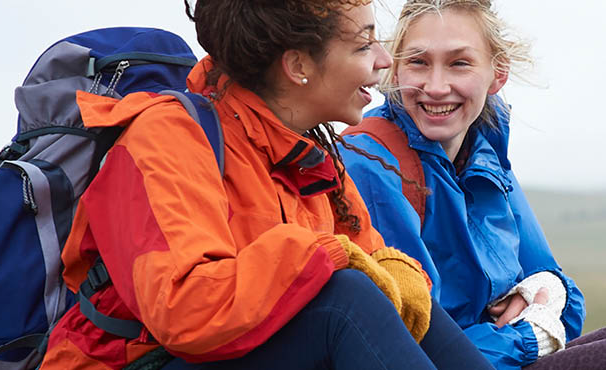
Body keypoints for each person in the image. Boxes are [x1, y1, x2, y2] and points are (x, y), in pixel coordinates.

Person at [37, 1, 495, 369]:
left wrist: (394, 275)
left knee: (404, 296)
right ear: (298, 64)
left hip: (236, 350)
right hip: (136, 360)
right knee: (345, 299)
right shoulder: (167, 138)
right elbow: (186, 310)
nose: (382, 60)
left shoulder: (307, 152)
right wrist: (323, 256)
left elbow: (372, 256)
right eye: (363, 45)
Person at [337, 0, 602, 369]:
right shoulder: (370, 162)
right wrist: (530, 334)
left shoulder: (486, 155)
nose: (436, 86)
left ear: (498, 73)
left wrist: (548, 295)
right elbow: (415, 341)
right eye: (418, 62)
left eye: (459, 63)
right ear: (395, 70)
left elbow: (562, 295)